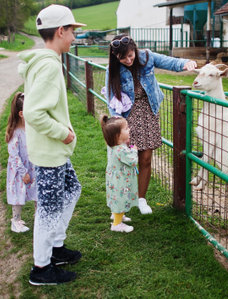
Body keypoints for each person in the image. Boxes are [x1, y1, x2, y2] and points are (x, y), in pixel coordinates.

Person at [18, 4, 85, 285]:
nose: (74, 38)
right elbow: (33, 113)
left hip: (53, 152)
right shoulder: (48, 65)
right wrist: (64, 133)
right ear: (60, 31)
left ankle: (56, 247)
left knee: (72, 190)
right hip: (49, 152)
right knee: (48, 210)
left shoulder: (48, 61)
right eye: (72, 32)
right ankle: (41, 268)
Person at [105, 34, 197, 214]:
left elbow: (169, 62)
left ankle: (141, 199)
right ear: (116, 57)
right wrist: (117, 122)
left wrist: (186, 63)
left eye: (130, 55)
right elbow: (111, 97)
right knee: (127, 160)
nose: (128, 60)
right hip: (127, 117)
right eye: (123, 58)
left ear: (135, 50)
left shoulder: (146, 56)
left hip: (148, 112)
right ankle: (122, 200)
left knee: (145, 158)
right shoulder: (113, 69)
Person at [101, 115, 139, 233]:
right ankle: (117, 224)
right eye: (126, 128)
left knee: (116, 198)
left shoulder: (113, 145)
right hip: (122, 180)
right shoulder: (120, 150)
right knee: (121, 199)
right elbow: (132, 161)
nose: (129, 129)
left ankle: (117, 215)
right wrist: (134, 150)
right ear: (118, 135)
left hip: (115, 178)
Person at [6, 92, 37, 233]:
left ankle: (39, 216)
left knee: (37, 191)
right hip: (20, 170)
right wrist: (23, 172)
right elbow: (14, 155)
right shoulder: (16, 133)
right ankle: (16, 220)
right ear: (21, 113)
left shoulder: (31, 129)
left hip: (33, 166)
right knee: (18, 195)